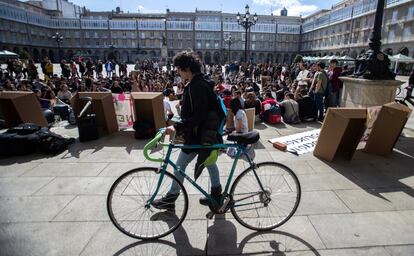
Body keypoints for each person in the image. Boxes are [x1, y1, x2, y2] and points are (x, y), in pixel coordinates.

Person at [151, 50, 222, 210]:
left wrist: (176, 126)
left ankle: (171, 198)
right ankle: (216, 196)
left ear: (187, 68)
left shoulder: (198, 86)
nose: (177, 72)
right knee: (209, 163)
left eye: (178, 68)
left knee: (179, 166)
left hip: (200, 135)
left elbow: (199, 116)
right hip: (204, 134)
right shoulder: (199, 82)